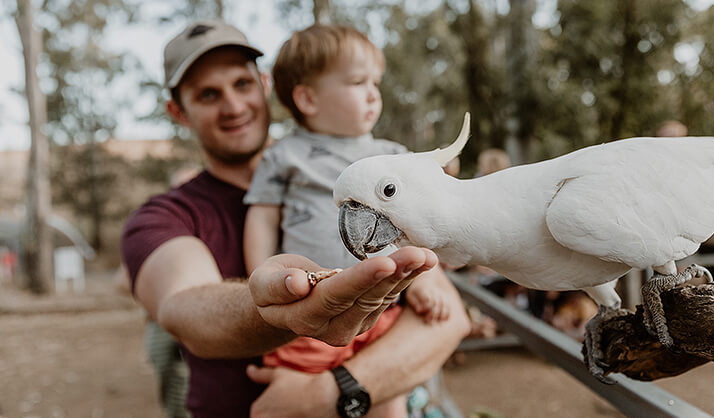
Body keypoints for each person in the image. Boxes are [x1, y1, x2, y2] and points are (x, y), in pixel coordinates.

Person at [121, 20, 469, 418]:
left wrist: (328, 393)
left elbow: (447, 318)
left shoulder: (371, 175)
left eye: (242, 84)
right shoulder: (162, 218)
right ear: (178, 112)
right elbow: (186, 312)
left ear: (265, 86)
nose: (233, 106)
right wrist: (280, 300)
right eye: (208, 94)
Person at [242, 24, 453, 416]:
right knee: (296, 398)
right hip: (306, 312)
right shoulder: (284, 155)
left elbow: (419, 225)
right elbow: (262, 219)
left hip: (382, 307)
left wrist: (426, 279)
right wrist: (262, 278)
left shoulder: (393, 156)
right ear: (307, 98)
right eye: (358, 81)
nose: (374, 93)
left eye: (376, 81)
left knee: (387, 397)